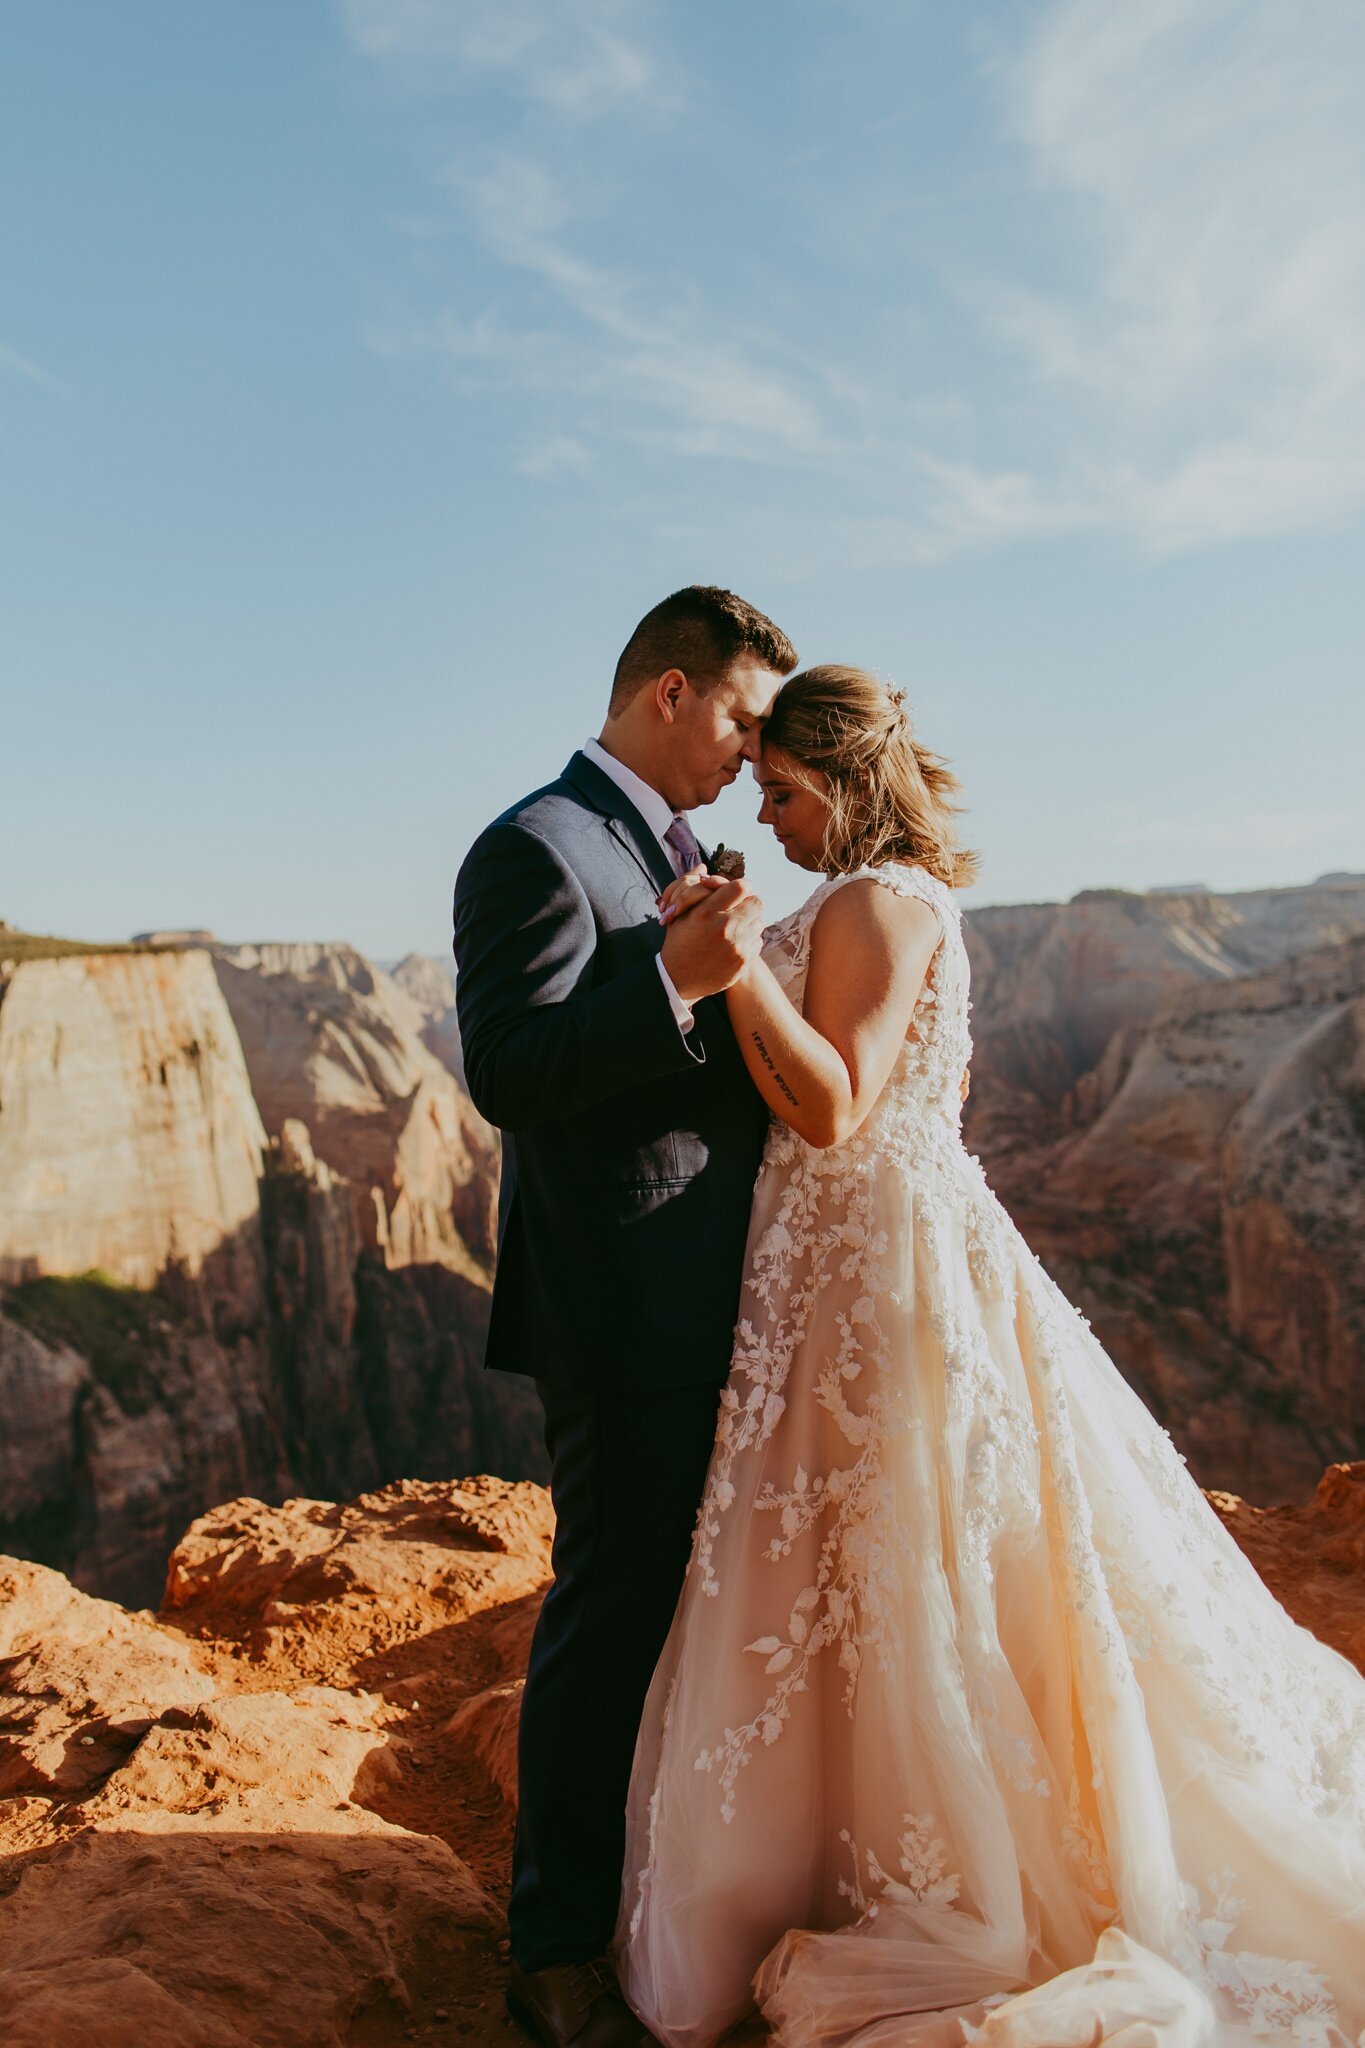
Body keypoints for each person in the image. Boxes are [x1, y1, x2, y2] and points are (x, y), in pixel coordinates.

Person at [617, 664, 1365, 2048]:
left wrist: (726, 972)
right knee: (859, 1552)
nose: (767, 818)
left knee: (909, 1549)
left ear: (840, 788)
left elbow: (837, 1105)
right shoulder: (872, 900)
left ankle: (951, 1854)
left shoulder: (879, 901)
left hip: (870, 1271)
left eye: (782, 793)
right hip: (833, 1262)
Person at [452, 585, 797, 2048]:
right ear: (668, 692)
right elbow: (512, 1074)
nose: (748, 755)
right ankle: (552, 1949)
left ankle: (670, 1893)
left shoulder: (656, 845)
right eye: (738, 718)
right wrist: (670, 975)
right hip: (628, 1313)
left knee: (699, 1617)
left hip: (728, 1303)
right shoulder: (531, 846)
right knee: (610, 1622)